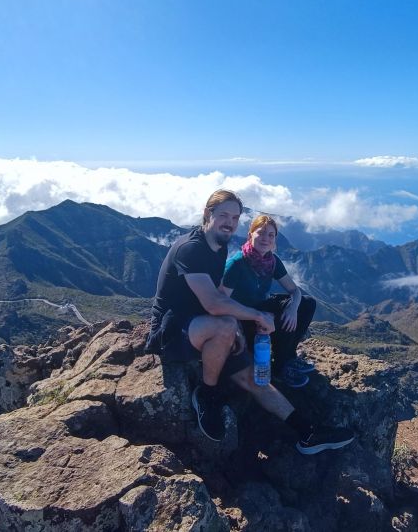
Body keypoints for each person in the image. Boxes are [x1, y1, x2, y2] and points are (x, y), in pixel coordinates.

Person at [146, 189, 354, 455]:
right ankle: (206, 395)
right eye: (223, 215)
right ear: (207, 214)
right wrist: (254, 317)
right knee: (224, 328)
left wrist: (235, 326)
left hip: (204, 324)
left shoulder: (218, 246)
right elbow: (213, 303)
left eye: (235, 217)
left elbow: (215, 305)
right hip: (172, 329)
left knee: (255, 378)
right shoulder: (192, 249)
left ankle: (307, 432)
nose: (229, 222)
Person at [220, 215, 317, 388]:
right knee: (279, 315)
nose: (266, 238)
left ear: (274, 240)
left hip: (262, 307)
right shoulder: (237, 264)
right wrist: (244, 323)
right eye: (261, 233)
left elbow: (295, 291)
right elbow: (221, 302)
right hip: (243, 316)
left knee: (307, 303)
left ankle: (287, 357)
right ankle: (280, 370)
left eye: (271, 235)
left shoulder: (272, 261)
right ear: (250, 235)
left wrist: (293, 309)